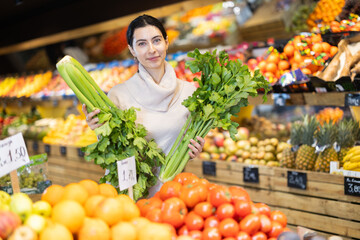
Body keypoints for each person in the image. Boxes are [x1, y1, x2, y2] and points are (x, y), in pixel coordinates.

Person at [82, 14, 205, 196]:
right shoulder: (118, 95)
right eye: (142, 44)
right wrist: (99, 130)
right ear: (132, 50)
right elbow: (113, 152)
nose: (152, 50)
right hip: (134, 195)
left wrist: (197, 149)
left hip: (174, 195)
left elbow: (189, 141)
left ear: (166, 42)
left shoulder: (190, 92)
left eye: (156, 41)